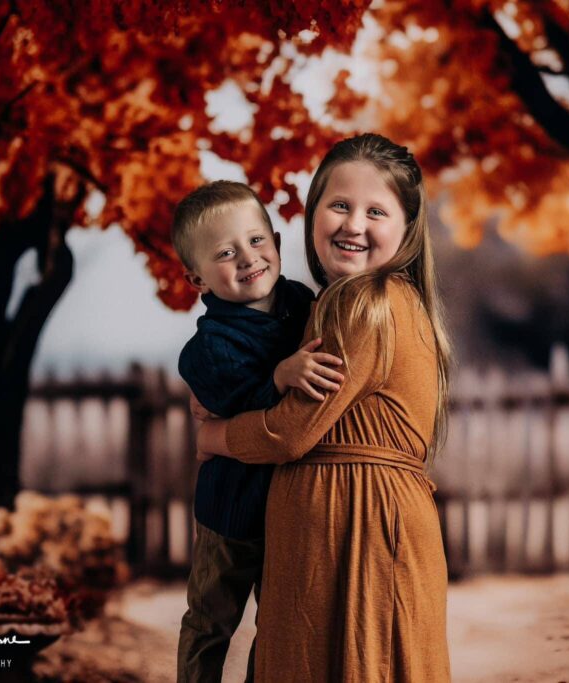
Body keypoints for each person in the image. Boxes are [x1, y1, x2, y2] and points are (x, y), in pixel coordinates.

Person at [195, 134, 454, 682]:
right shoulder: (345, 301)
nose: (353, 224)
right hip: (343, 527)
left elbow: (291, 433)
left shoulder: (364, 303)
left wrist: (213, 437)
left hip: (359, 529)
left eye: (376, 212)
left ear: (406, 229)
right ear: (312, 215)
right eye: (339, 205)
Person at [171, 180, 346, 683]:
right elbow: (236, 415)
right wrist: (278, 376)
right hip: (229, 511)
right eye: (225, 253)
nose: (248, 258)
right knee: (211, 618)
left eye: (256, 240)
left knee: (279, 622)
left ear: (274, 238)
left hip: (287, 506)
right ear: (196, 279)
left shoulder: (299, 302)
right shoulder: (207, 349)